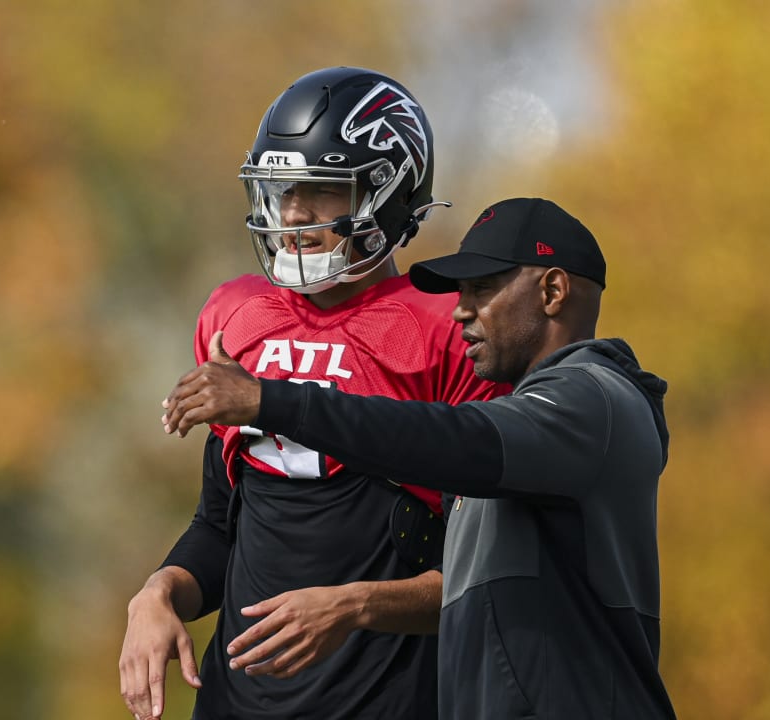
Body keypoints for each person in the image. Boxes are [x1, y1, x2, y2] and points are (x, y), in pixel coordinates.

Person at [161, 196, 678, 719]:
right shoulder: (530, 421)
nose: (461, 311)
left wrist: (272, 400)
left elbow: (453, 439)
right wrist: (356, 603)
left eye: (482, 289)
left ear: (552, 290)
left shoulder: (594, 399)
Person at [119, 67, 505, 720]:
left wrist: (354, 605)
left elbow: (491, 575)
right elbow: (221, 525)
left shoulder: (448, 330)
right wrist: (157, 596)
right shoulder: (236, 317)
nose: (293, 213)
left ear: (387, 194)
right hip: (235, 703)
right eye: (283, 189)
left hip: (385, 702)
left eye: (320, 191)